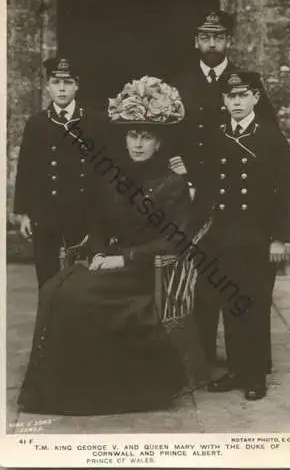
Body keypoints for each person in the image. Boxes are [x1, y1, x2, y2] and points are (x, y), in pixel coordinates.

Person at [17, 76, 193, 415]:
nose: (138, 144)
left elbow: (174, 239)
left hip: (146, 271)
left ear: (159, 143)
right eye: (132, 135)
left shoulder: (173, 184)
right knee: (55, 287)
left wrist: (122, 259)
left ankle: (106, 391)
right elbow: (98, 223)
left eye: (146, 136)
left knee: (78, 297)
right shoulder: (114, 177)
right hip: (108, 261)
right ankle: (60, 388)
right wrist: (98, 251)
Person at [195, 70, 290, 400]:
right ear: (224, 101)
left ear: (255, 98)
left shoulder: (269, 137)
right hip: (222, 236)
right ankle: (238, 368)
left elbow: (286, 190)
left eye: (243, 96)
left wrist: (279, 238)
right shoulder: (217, 135)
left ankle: (255, 375)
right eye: (231, 97)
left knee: (254, 303)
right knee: (229, 302)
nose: (237, 102)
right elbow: (209, 186)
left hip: (257, 236)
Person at [13, 57, 106, 287]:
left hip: (83, 212)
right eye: (56, 82)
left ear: (77, 85)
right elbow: (26, 168)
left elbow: (103, 171)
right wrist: (24, 213)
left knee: (80, 280)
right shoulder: (36, 124)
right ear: (48, 87)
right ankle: (47, 322)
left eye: (67, 82)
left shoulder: (93, 121)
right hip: (46, 213)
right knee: (47, 277)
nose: (62, 88)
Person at [169, 9, 280, 188]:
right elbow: (166, 134)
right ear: (196, 42)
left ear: (229, 41)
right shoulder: (178, 84)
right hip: (188, 183)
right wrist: (175, 160)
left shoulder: (247, 81)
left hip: (231, 183)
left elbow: (268, 131)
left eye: (218, 38)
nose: (212, 44)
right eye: (205, 38)